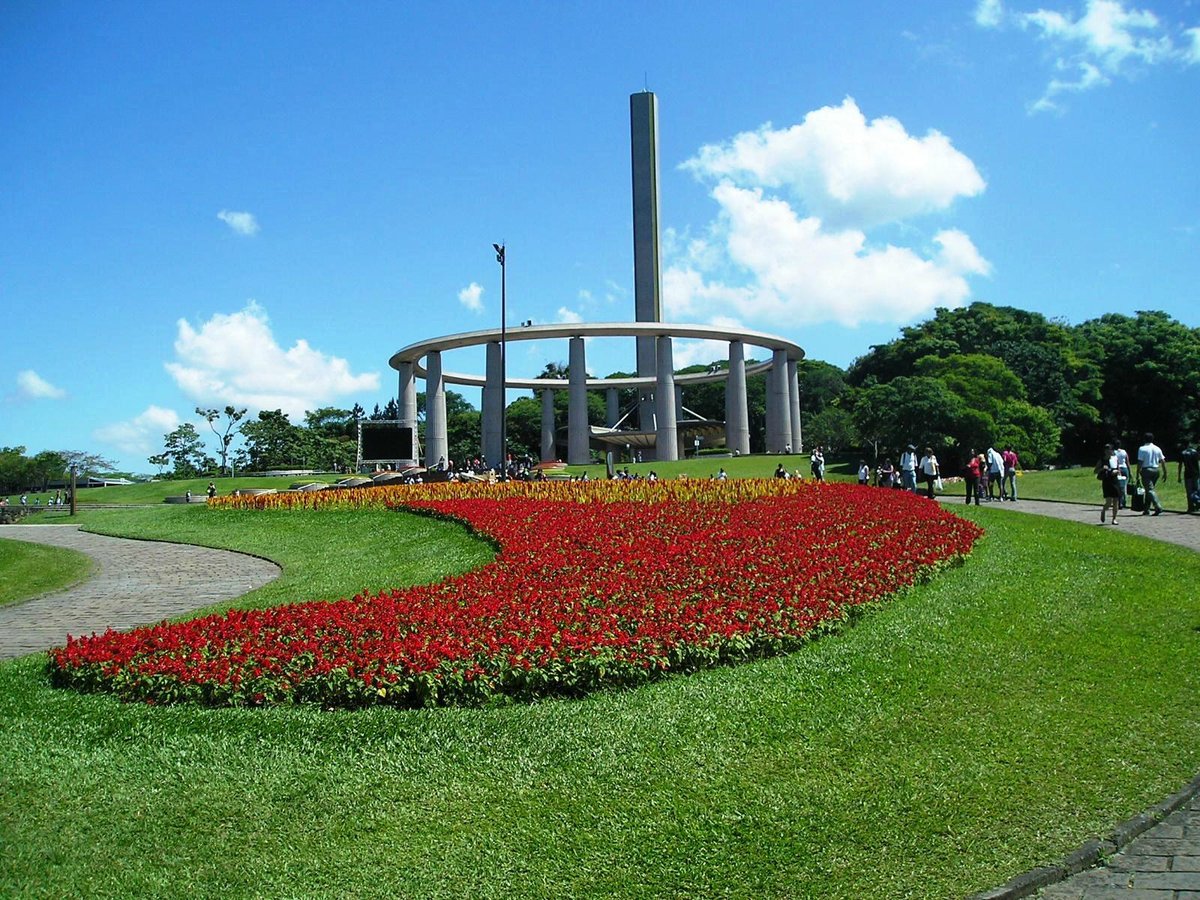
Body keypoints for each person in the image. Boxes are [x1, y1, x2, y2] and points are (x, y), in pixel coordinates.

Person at [1136, 432, 1166, 516]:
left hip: (1146, 470)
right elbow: (1162, 460)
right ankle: (1146, 509)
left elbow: (1140, 462)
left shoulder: (1142, 448)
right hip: (1156, 470)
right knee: (1149, 489)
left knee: (1149, 490)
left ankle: (1158, 506)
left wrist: (1137, 473)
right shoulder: (1157, 448)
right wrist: (1165, 472)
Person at [1096, 443, 1120, 525]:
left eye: (1110, 450)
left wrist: (1117, 472)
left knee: (1116, 500)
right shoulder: (1102, 460)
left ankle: (1114, 519)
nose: (1108, 452)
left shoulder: (1115, 459)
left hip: (1115, 480)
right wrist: (1102, 468)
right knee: (1109, 502)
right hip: (1106, 481)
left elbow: (1118, 469)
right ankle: (1103, 511)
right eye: (1107, 450)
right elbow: (1095, 471)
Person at [1179, 443, 1199, 514]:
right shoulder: (1195, 452)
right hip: (1196, 474)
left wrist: (1179, 476)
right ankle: (1197, 505)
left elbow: (1180, 465)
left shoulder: (1183, 453)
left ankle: (1191, 507)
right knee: (1196, 490)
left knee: (1189, 491)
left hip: (1187, 474)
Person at [1113, 439, 1130, 509]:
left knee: (1118, 487)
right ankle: (1124, 501)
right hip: (1125, 469)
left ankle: (1120, 502)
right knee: (1124, 486)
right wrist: (1130, 471)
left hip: (1117, 469)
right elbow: (1127, 461)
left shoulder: (1113, 453)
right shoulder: (1124, 452)